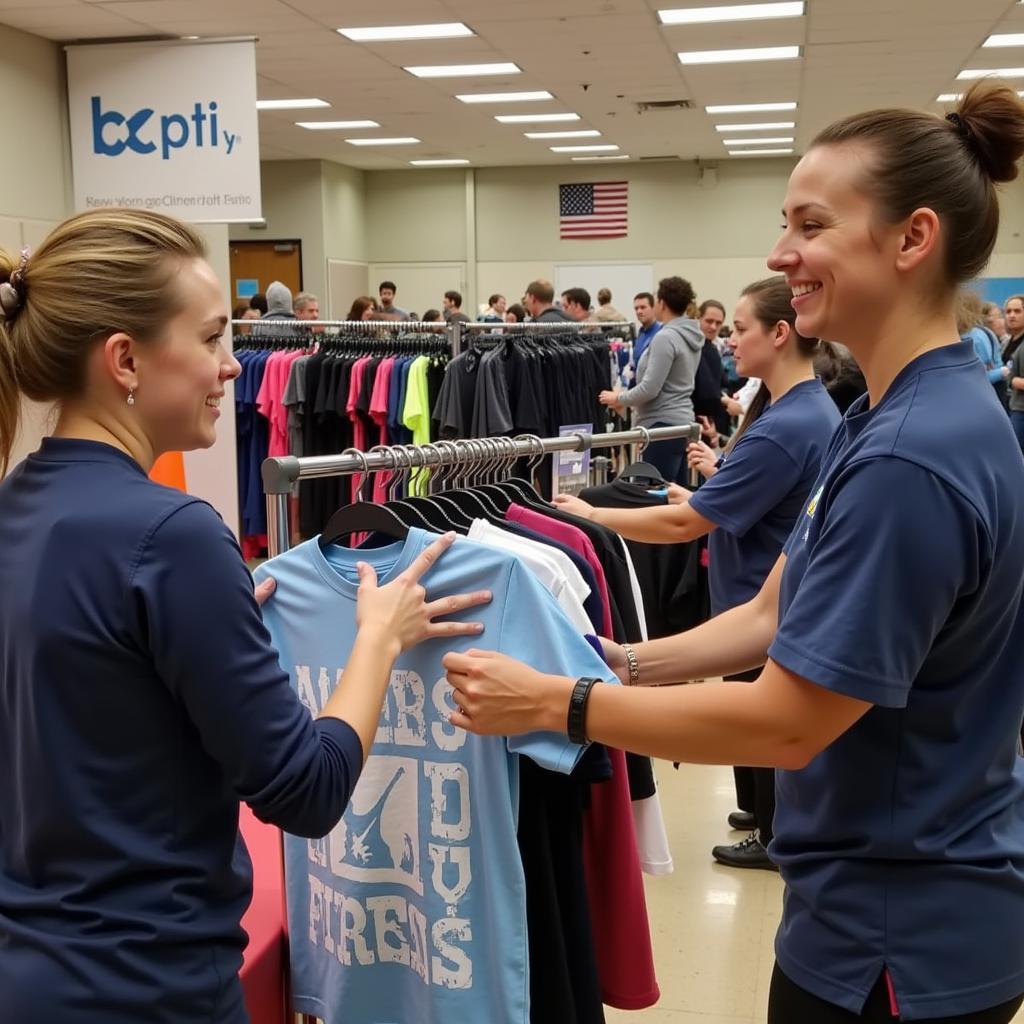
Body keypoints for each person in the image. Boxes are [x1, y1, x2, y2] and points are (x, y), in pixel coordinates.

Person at [444, 81, 1024, 1024]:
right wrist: (618, 659)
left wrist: (563, 703)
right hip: (890, 899)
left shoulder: (910, 458)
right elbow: (769, 617)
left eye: (812, 223)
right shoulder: (882, 414)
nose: (778, 254)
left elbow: (786, 722)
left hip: (894, 941)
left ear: (913, 239)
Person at [0, 209, 491, 1024]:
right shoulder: (173, 536)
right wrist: (377, 638)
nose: (233, 367)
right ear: (125, 359)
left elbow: (81, 704)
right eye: (212, 339)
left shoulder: (21, 511)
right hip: (146, 990)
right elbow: (305, 789)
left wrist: (205, 638)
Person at [560, 276, 841, 869]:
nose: (729, 341)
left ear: (781, 333)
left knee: (757, 715)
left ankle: (771, 831)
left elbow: (686, 526)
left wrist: (591, 515)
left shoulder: (790, 424)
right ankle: (765, 818)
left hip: (757, 599)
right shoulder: (793, 410)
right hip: (755, 592)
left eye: (740, 330)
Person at [598, 276, 703, 481]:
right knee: (674, 494)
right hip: (681, 424)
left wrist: (618, 398)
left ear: (661, 303)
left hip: (662, 425)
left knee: (653, 493)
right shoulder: (690, 334)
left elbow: (650, 388)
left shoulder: (666, 337)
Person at [958, 289, 1009, 406]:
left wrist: (1000, 372)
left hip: (988, 393)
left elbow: (979, 376)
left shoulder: (974, 337)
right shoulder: (982, 332)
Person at [693, 299, 731, 439]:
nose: (713, 327)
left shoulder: (712, 349)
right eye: (709, 321)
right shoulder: (693, 349)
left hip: (712, 424)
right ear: (698, 318)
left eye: (718, 323)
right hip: (697, 423)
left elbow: (722, 384)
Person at [632, 291, 661, 366]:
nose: (639, 311)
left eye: (643, 307)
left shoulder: (660, 332)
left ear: (653, 308)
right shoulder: (641, 332)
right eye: (636, 308)